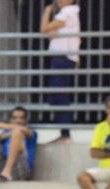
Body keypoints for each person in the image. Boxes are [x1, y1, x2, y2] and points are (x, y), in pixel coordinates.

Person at [40, 0, 81, 143]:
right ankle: (64, 133)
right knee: (57, 95)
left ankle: (65, 134)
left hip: (63, 59)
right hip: (62, 58)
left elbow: (44, 28)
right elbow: (50, 33)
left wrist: (47, 11)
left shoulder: (68, 12)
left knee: (60, 95)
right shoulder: (69, 14)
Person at [0, 106, 37, 181]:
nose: (18, 121)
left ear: (26, 120)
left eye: (21, 118)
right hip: (0, 168)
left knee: (17, 132)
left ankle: (7, 172)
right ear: (10, 119)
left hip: (20, 169)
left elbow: (20, 129)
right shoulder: (5, 133)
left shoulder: (31, 133)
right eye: (15, 118)